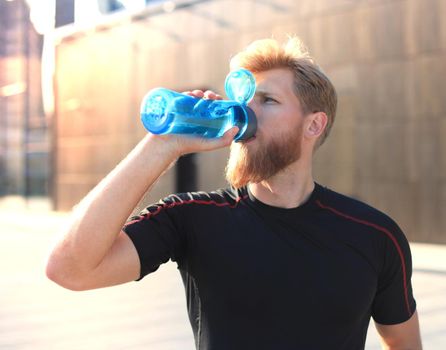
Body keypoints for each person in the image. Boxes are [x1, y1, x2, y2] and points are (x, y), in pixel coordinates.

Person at [46, 36, 422, 350]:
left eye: (267, 100)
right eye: (244, 101)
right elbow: (69, 269)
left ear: (314, 125)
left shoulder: (375, 235)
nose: (245, 113)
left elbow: (404, 344)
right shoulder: (191, 218)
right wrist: (160, 146)